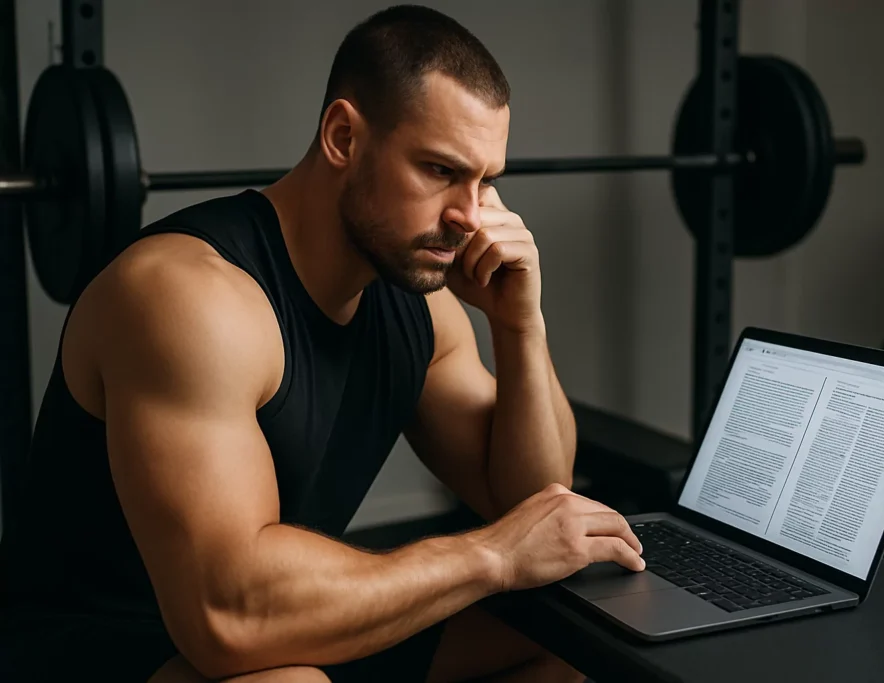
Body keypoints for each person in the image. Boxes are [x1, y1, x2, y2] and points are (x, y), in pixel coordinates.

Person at [0, 4, 647, 682]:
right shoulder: (188, 297)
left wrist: (520, 327)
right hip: (101, 646)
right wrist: (490, 557)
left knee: (569, 638)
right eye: (439, 170)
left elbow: (533, 505)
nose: (468, 216)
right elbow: (227, 617)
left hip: (278, 622)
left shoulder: (417, 301)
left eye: (485, 181)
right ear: (343, 136)